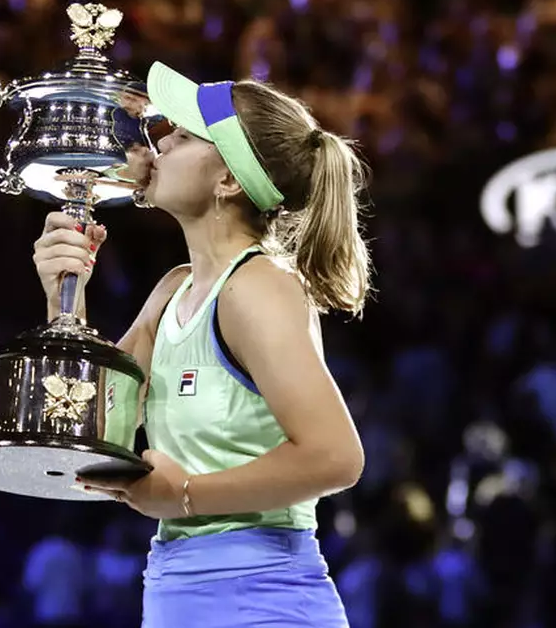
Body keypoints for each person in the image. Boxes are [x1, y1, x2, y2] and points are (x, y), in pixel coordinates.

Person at [31, 61, 371, 627]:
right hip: (175, 589)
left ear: (229, 180)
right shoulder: (172, 290)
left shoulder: (258, 287)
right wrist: (63, 298)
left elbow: (337, 456)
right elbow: (87, 432)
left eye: (183, 136)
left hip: (264, 600)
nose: (159, 141)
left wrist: (185, 494)